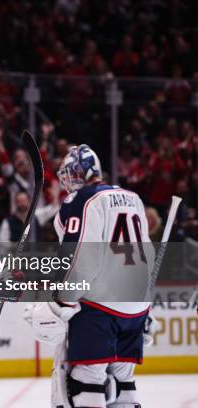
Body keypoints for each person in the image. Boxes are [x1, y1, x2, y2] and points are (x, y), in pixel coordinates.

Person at [25, 144, 155, 408]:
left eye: (73, 172)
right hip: (136, 305)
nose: (70, 179)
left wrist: (63, 302)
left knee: (87, 379)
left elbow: (82, 257)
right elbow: (147, 256)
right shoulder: (132, 197)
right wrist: (148, 310)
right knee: (124, 380)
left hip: (100, 305)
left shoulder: (82, 200)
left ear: (86, 172)